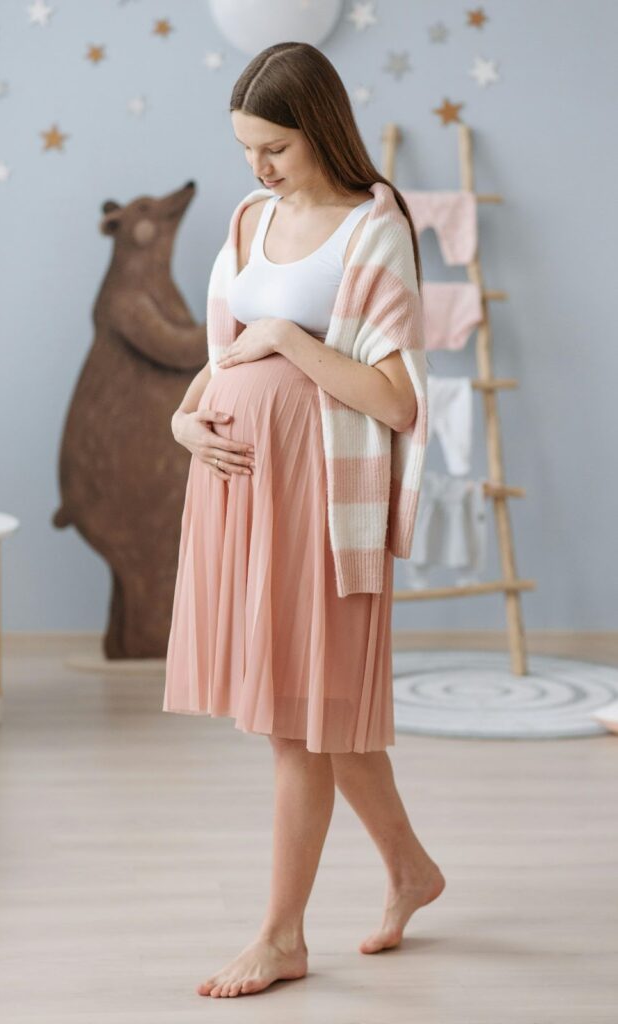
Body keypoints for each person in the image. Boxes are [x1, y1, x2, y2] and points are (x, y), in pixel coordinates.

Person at [163, 41, 445, 999]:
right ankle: (410, 871)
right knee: (320, 718)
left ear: (320, 128)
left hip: (322, 506)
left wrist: (287, 338)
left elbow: (397, 400)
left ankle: (282, 937)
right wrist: (183, 415)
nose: (259, 168)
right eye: (247, 148)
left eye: (274, 147)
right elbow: (221, 355)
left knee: (301, 724)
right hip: (240, 492)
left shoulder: (375, 228)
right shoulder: (249, 219)